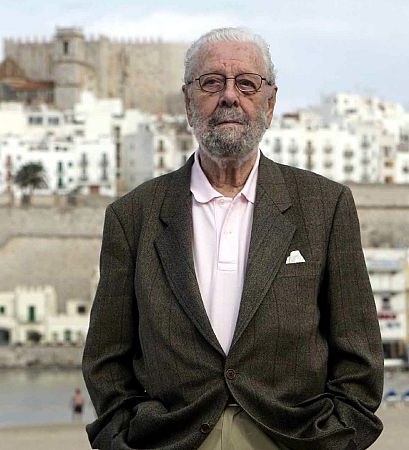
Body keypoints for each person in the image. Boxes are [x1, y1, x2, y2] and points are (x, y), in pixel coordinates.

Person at [82, 27, 383, 450]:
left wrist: (333, 440)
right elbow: (106, 359)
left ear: (270, 103)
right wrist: (126, 438)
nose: (229, 96)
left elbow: (360, 358)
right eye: (211, 83)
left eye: (246, 83)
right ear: (188, 101)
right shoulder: (133, 216)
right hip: (171, 441)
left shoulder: (325, 206)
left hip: (291, 439)